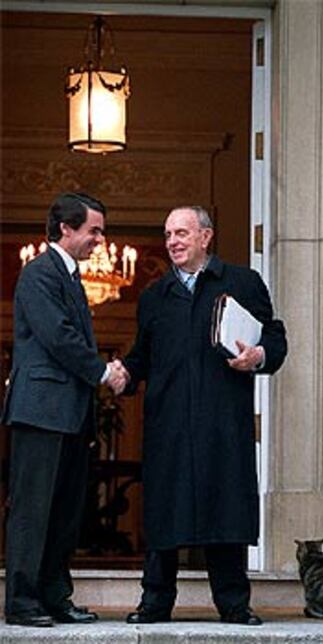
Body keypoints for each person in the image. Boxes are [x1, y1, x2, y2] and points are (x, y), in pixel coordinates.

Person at [121, 206, 287, 625]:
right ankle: (155, 603)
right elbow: (141, 356)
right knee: (164, 511)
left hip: (222, 420)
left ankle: (234, 604)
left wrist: (259, 355)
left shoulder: (242, 283)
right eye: (168, 234)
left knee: (225, 506)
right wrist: (120, 373)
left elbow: (275, 337)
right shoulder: (154, 296)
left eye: (182, 233)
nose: (173, 241)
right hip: (169, 422)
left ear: (206, 237)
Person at [1, 193, 127, 627]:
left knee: (64, 512)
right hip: (39, 412)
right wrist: (102, 372)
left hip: (69, 414)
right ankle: (21, 602)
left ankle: (55, 597)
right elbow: (57, 336)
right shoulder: (39, 273)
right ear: (65, 230)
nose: (100, 239)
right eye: (94, 230)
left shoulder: (70, 276)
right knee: (33, 509)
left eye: (101, 231)